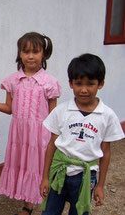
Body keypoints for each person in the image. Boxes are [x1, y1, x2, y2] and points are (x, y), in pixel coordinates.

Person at [0, 32, 61, 215]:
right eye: (25, 52)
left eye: (35, 51)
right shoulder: (13, 81)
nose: (30, 56)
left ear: (44, 54)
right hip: (19, 134)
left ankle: (48, 204)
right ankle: (28, 205)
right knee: (24, 166)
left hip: (40, 135)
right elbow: (10, 108)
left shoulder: (49, 83)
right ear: (20, 54)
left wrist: (55, 138)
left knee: (39, 168)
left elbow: (54, 115)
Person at [40, 53, 125, 215]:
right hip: (60, 172)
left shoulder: (107, 116)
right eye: (78, 83)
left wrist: (100, 185)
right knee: (49, 212)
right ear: (71, 84)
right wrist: (45, 177)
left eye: (90, 84)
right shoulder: (62, 111)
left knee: (79, 212)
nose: (84, 90)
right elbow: (51, 145)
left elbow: (106, 152)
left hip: (86, 177)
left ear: (100, 84)